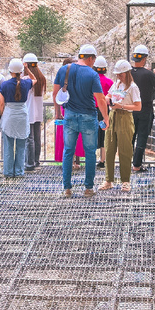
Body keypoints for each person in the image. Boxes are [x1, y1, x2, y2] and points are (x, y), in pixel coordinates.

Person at [54, 44, 108, 197]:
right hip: (88, 117)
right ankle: (88, 188)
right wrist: (106, 118)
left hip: (70, 115)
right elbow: (100, 99)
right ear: (90, 58)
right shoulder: (92, 74)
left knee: (68, 151)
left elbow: (55, 93)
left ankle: (67, 188)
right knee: (90, 153)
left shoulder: (64, 70)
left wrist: (58, 112)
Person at [100, 60, 141, 191]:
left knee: (125, 150)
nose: (118, 76)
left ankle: (125, 180)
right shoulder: (117, 84)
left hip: (125, 117)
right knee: (109, 147)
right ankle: (108, 179)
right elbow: (109, 95)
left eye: (121, 74)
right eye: (117, 74)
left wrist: (121, 106)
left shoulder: (133, 87)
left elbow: (138, 106)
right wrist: (108, 99)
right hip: (113, 116)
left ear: (127, 73)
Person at [128, 44, 155, 174]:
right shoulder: (149, 74)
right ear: (144, 58)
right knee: (142, 136)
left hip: (131, 109)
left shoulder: (128, 73)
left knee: (130, 137)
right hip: (145, 109)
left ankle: (127, 161)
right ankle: (136, 164)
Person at [0, 58, 34, 178]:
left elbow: (2, 104)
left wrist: (2, 116)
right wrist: (27, 68)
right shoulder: (26, 83)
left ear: (10, 71)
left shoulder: (4, 85)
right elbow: (35, 79)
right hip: (22, 116)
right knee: (21, 146)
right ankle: (19, 172)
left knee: (8, 146)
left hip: (9, 115)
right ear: (21, 71)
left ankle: (8, 172)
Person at [22, 53, 46, 170]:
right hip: (38, 111)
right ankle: (36, 161)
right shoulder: (41, 78)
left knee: (29, 139)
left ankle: (29, 164)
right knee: (37, 138)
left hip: (28, 111)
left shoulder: (26, 79)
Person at [92, 55, 113, 166]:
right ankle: (102, 160)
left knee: (92, 134)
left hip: (92, 109)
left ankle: (91, 159)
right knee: (104, 134)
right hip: (105, 111)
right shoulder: (109, 82)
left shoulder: (91, 80)